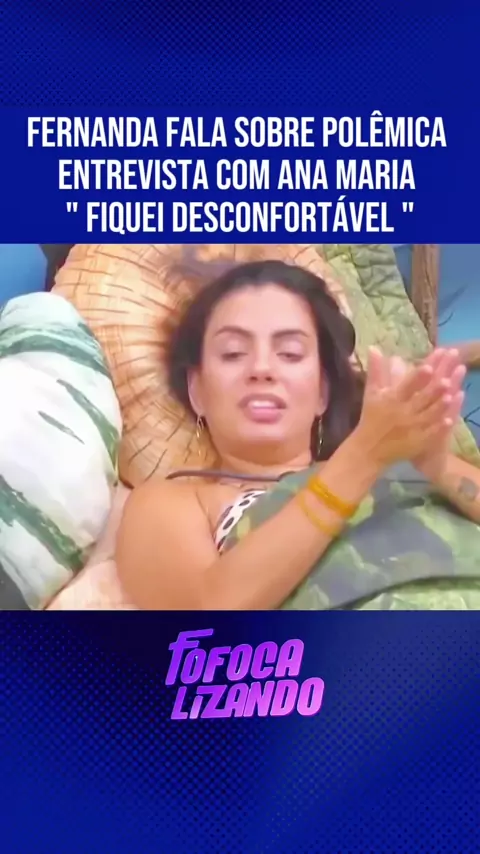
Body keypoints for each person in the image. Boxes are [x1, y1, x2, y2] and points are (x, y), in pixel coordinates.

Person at [116, 259, 480, 610]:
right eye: (233, 353)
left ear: (322, 391)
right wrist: (361, 458)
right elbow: (202, 618)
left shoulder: (407, 462)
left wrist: (436, 465)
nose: (262, 369)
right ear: (197, 390)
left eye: (290, 354)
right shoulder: (171, 501)